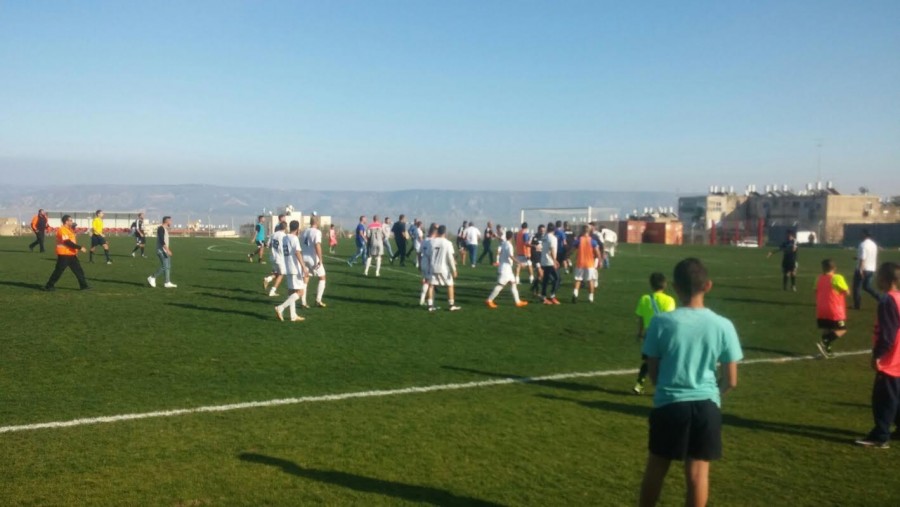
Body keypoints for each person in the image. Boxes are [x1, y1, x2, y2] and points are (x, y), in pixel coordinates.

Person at [639, 258, 743, 507]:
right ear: (708, 285)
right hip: (706, 406)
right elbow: (731, 380)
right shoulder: (723, 325)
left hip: (670, 404)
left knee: (656, 468)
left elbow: (653, 372)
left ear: (675, 287)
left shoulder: (661, 323)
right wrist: (712, 395)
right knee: (698, 475)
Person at [855, 262, 900, 448]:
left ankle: (880, 436)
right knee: (896, 395)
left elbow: (887, 335)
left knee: (883, 399)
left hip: (890, 358)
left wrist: (878, 356)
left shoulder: (887, 300)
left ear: (885, 279)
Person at [633, 273, 677, 394]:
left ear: (651, 285)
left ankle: (639, 384)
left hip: (650, 334)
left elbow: (641, 318)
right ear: (665, 284)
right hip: (664, 335)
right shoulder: (669, 300)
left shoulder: (644, 299)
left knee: (649, 361)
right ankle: (665, 386)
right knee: (666, 361)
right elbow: (670, 320)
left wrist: (640, 333)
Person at [44, 214, 89, 291]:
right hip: (64, 255)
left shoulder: (69, 230)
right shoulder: (62, 230)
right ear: (66, 221)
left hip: (71, 254)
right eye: (70, 220)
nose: (72, 221)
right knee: (58, 271)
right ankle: (49, 286)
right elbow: (67, 242)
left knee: (79, 270)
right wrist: (80, 247)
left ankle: (84, 286)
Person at [274, 220, 308, 322]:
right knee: (300, 292)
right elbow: (297, 253)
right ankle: (280, 308)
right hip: (294, 268)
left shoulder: (285, 237)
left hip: (287, 266)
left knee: (291, 292)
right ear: (297, 229)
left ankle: (293, 316)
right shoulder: (294, 238)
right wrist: (303, 267)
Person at [815, 259, 849, 358]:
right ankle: (825, 342)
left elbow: (815, 290)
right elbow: (847, 292)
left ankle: (827, 351)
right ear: (834, 268)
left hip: (821, 309)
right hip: (834, 309)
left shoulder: (819, 278)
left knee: (827, 328)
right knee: (842, 329)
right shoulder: (837, 278)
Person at [485, 230, 529, 309]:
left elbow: (501, 241)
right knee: (500, 285)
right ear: (512, 237)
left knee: (513, 284)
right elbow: (511, 256)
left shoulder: (504, 243)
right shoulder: (509, 245)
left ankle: (518, 302)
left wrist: (496, 236)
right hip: (505, 269)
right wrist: (520, 263)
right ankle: (489, 300)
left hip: (507, 268)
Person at [428, 225, 461, 312]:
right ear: (445, 232)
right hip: (443, 268)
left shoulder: (432, 242)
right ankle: (451, 305)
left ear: (438, 232)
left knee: (431, 285)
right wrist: (454, 270)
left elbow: (428, 254)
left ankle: (430, 305)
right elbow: (450, 258)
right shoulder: (447, 243)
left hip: (433, 266)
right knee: (450, 285)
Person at [570, 224, 602, 303]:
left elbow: (572, 250)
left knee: (578, 280)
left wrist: (568, 257)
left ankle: (575, 293)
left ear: (582, 230)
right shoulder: (593, 241)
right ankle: (591, 297)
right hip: (589, 264)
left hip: (580, 263)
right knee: (590, 280)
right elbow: (598, 252)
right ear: (590, 231)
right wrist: (600, 261)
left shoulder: (578, 240)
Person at [300, 215, 327, 308]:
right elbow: (317, 245)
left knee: (305, 279)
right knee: (322, 277)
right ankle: (318, 300)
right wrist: (320, 259)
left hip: (304, 257)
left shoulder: (304, 231)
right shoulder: (317, 232)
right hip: (312, 258)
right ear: (317, 222)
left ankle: (303, 302)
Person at [853, 229, 880, 309]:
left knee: (857, 287)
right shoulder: (874, 244)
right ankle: (880, 298)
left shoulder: (863, 244)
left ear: (864, 234)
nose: (860, 235)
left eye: (861, 233)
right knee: (867, 286)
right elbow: (869, 256)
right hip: (871, 269)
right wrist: (857, 258)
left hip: (863, 268)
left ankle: (857, 305)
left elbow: (863, 258)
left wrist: (860, 269)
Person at [147, 216, 176, 288]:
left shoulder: (164, 229)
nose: (171, 222)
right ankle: (152, 277)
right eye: (170, 221)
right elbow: (161, 241)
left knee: (168, 266)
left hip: (164, 251)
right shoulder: (161, 228)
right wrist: (168, 250)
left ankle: (167, 282)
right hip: (161, 251)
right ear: (166, 221)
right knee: (164, 266)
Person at [263, 222, 287, 297]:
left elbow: (268, 245)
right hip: (280, 257)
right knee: (281, 274)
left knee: (277, 273)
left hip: (272, 257)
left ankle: (268, 279)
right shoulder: (284, 236)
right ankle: (272, 291)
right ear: (285, 228)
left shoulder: (273, 234)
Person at [540, 222, 561, 304]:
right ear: (554, 229)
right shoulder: (553, 238)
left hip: (543, 260)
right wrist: (555, 261)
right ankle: (552, 295)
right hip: (550, 261)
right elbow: (552, 250)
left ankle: (543, 297)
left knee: (546, 279)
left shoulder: (544, 237)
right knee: (557, 278)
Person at [418, 223, 438, 306]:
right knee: (430, 283)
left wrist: (419, 264)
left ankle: (422, 300)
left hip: (423, 262)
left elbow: (419, 253)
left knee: (426, 281)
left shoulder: (424, 240)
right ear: (435, 232)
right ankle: (428, 302)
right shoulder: (433, 242)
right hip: (430, 263)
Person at [529, 224, 545, 297]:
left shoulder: (545, 237)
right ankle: (539, 292)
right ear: (538, 230)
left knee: (539, 276)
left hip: (542, 257)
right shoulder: (534, 236)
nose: (542, 232)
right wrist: (534, 246)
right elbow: (527, 244)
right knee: (541, 274)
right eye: (541, 230)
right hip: (535, 257)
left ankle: (534, 289)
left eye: (543, 230)